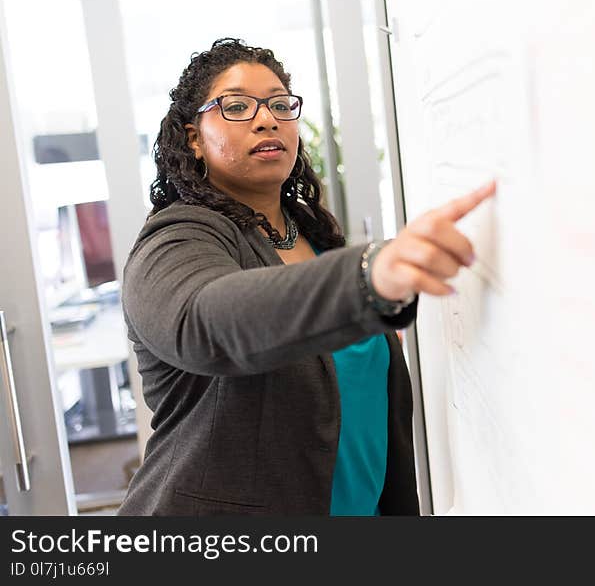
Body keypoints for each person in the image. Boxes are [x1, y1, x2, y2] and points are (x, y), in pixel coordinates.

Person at [116, 38, 494, 516]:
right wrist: (369, 274)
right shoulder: (175, 239)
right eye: (236, 106)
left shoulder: (317, 238)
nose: (266, 118)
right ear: (193, 137)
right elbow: (204, 320)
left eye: (279, 104)